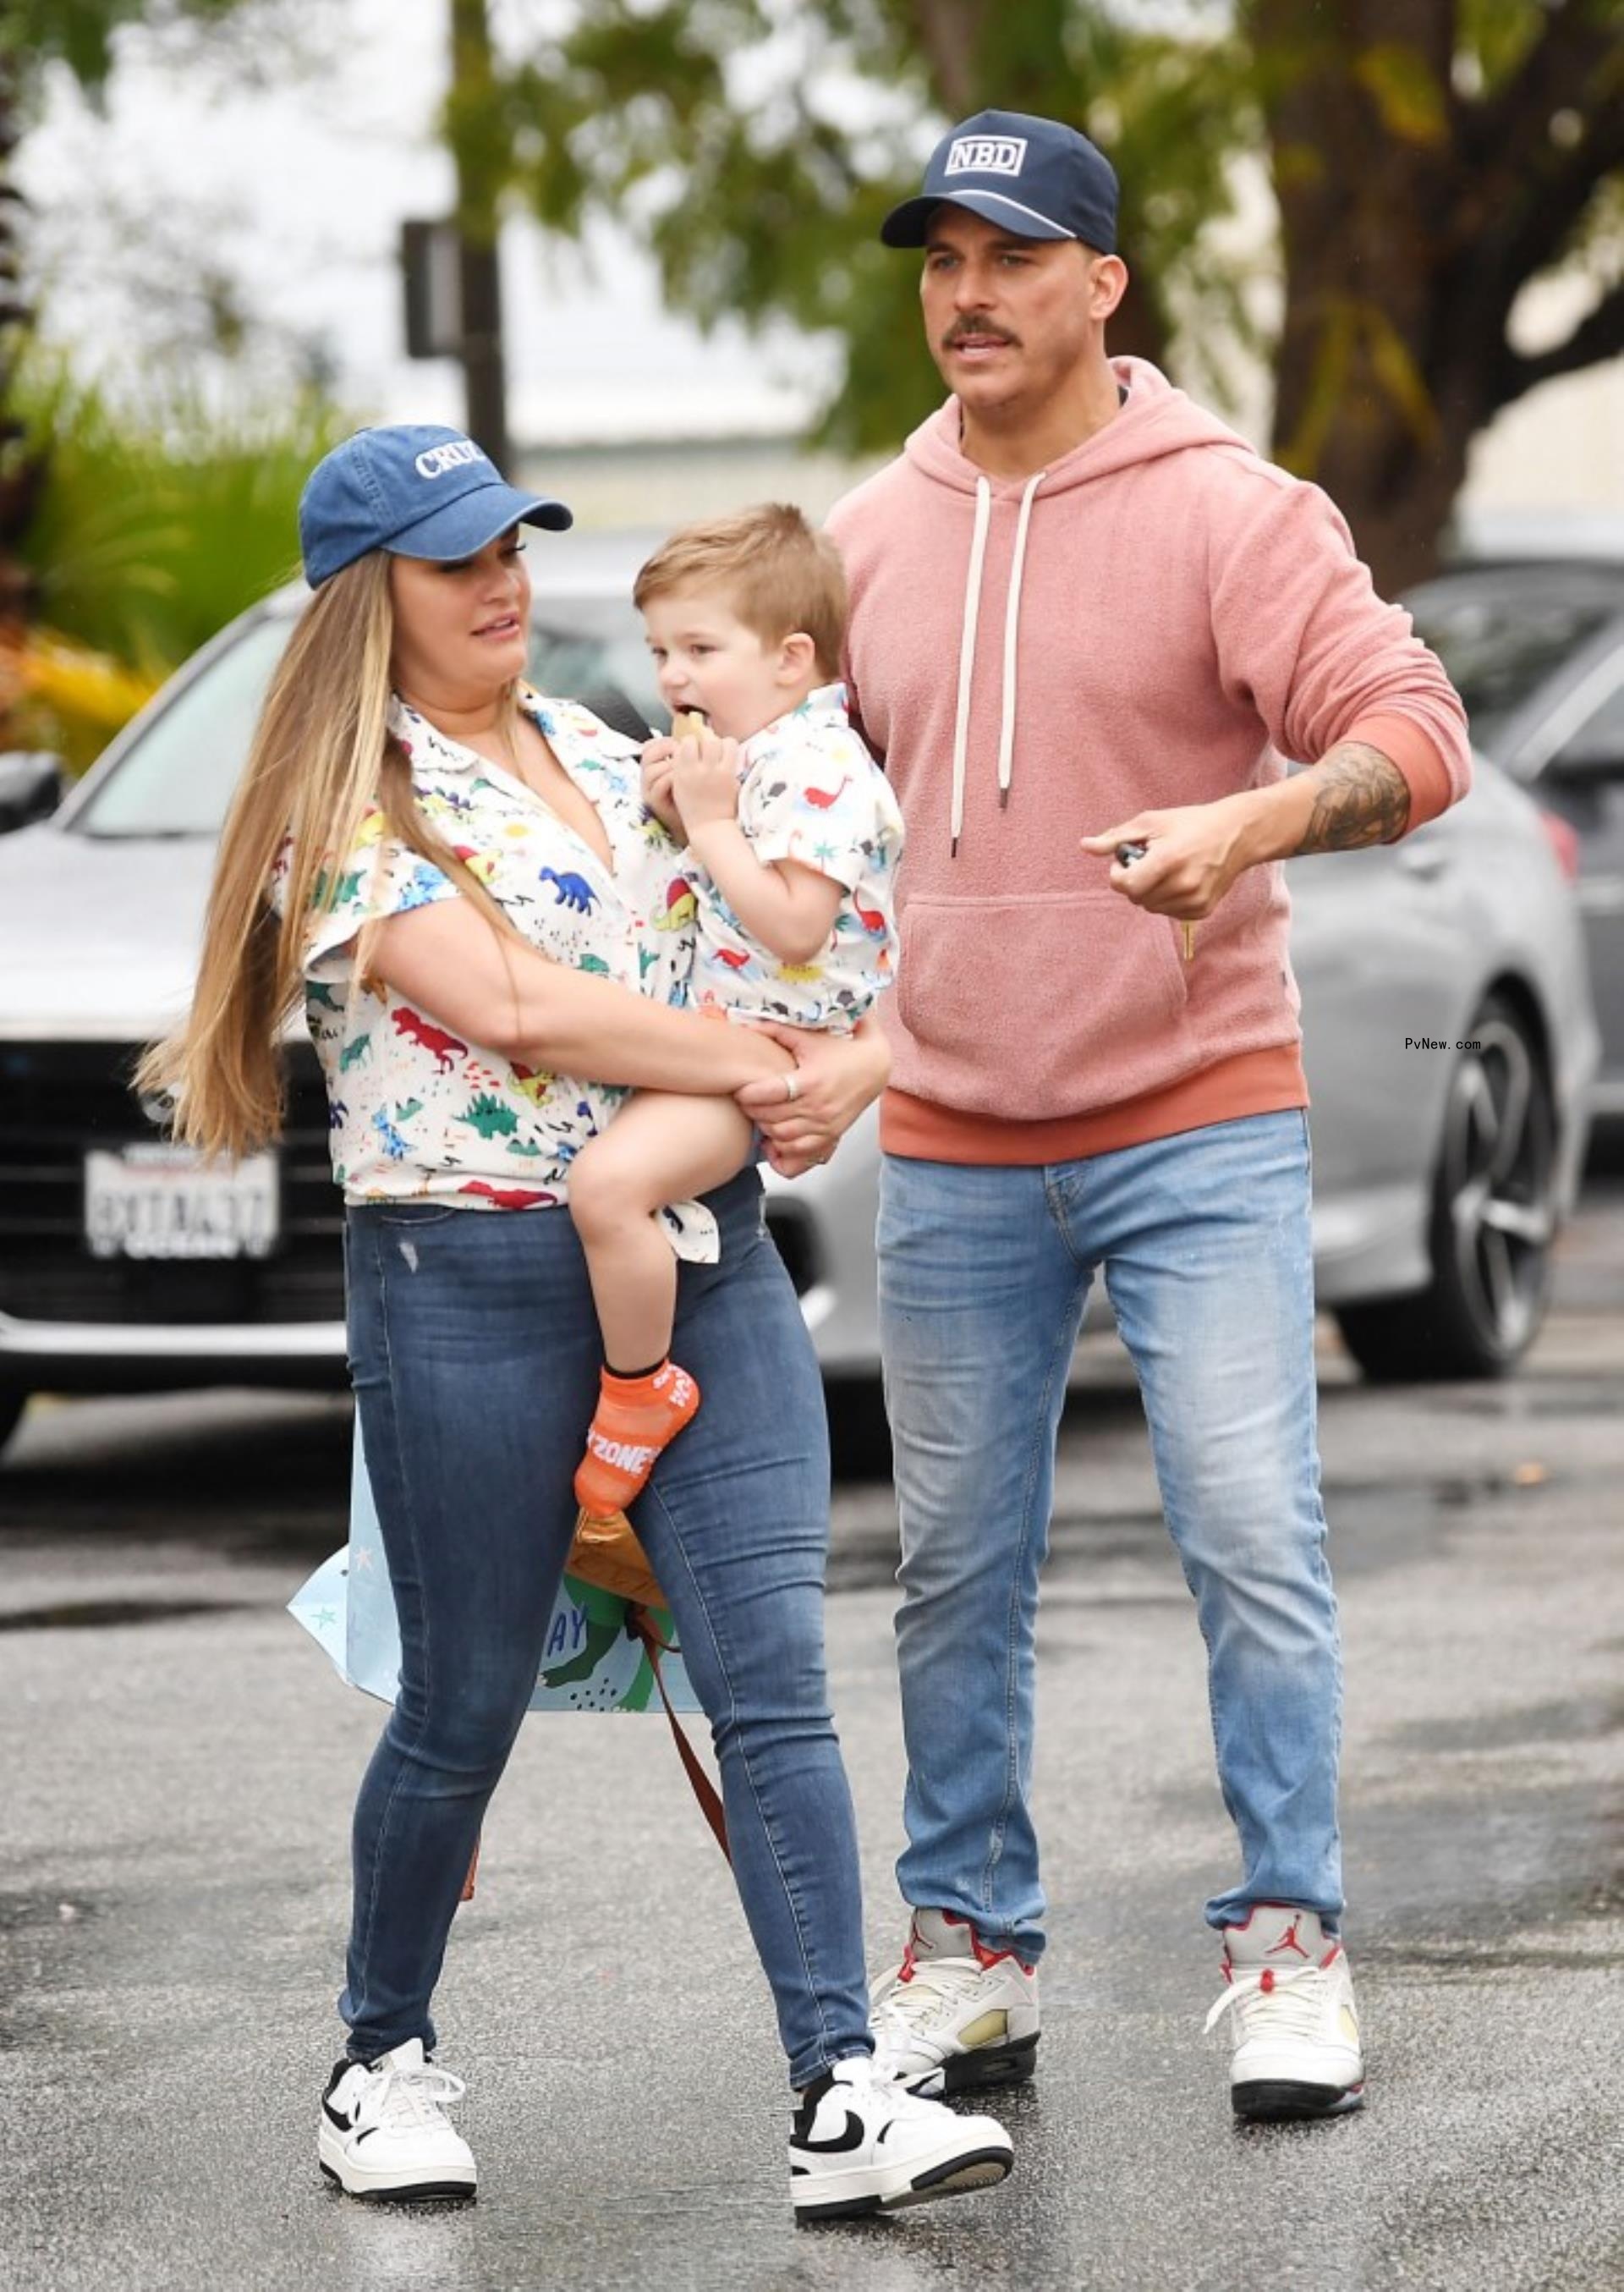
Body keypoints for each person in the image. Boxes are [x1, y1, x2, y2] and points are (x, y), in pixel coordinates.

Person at [141, 423, 1013, 2217]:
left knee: (772, 1677)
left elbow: (807, 932)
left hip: (705, 1250)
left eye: (515, 546)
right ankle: (377, 2053)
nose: (506, 583)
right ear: (365, 595)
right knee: (461, 1700)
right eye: (460, 559)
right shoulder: (348, 814)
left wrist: (854, 1055)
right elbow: (524, 1011)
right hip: (464, 1281)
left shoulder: (628, 756)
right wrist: (775, 1063)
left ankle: (838, 2081)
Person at [825, 112, 1472, 2120]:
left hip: (1197, 1114)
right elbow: (811, 834)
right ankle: (969, 1954)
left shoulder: (1232, 514)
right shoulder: (862, 537)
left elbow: (1415, 732)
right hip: (945, 1131)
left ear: (1103, 283)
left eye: (1009, 257)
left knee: (1251, 1530)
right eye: (939, 260)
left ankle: (1289, 1953)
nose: (967, 295)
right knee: (954, 1564)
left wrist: (1252, 817)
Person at [567, 504, 904, 1520]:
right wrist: (689, 819)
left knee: (608, 1190)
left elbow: (797, 925)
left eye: (701, 649)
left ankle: (640, 1388)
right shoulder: (757, 757)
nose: (672, 677)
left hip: (761, 1049)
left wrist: (709, 826)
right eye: (660, 648)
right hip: (729, 1035)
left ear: (792, 657)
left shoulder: (821, 768)